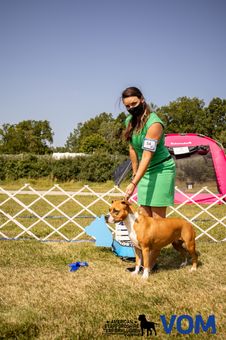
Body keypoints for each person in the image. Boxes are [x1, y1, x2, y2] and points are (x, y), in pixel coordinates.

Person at [122, 86, 176, 219]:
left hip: (161, 170)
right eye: (127, 106)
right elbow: (132, 148)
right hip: (144, 171)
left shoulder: (154, 124)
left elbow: (147, 155)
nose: (131, 108)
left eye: (134, 104)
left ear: (142, 99)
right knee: (144, 218)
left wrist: (134, 183)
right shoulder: (129, 121)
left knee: (157, 221)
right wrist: (135, 173)